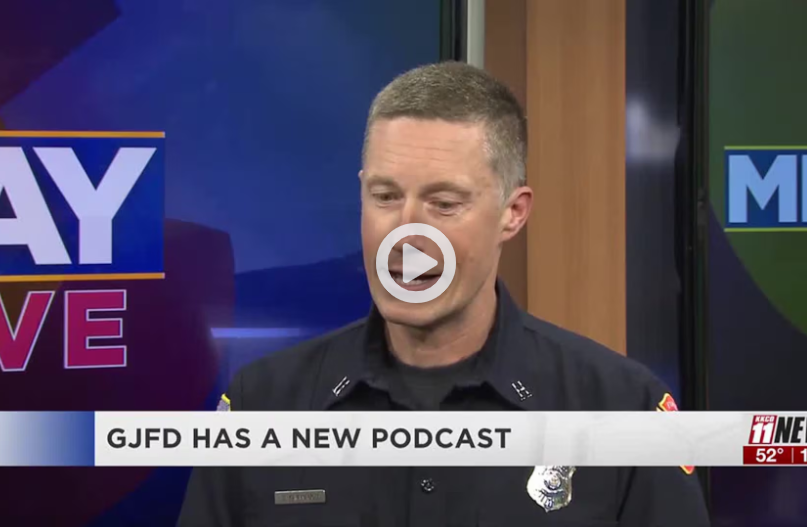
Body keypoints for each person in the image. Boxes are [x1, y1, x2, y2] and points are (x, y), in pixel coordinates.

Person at [179, 61, 709, 526]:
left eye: (445, 203)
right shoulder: (262, 407)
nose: (406, 232)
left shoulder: (624, 411)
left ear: (513, 213)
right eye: (385, 196)